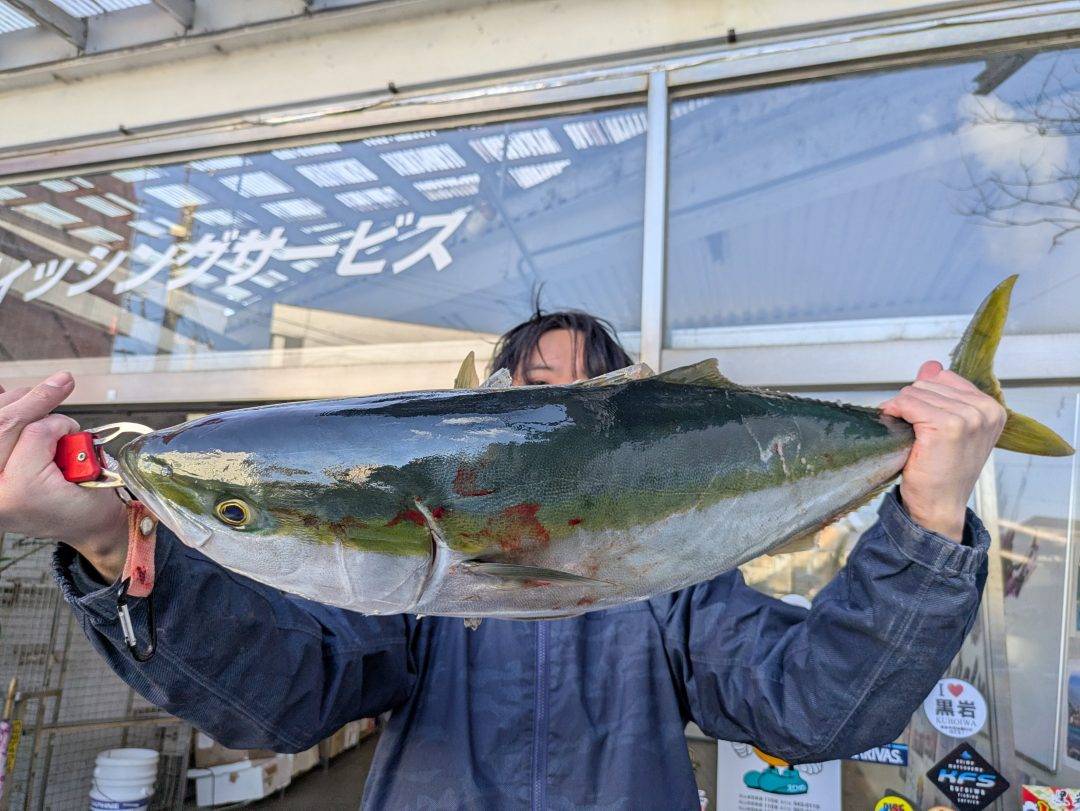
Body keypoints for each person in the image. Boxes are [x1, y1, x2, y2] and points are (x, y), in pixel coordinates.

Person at [0, 309, 1000, 809]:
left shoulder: (674, 591)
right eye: (528, 395)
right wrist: (106, 539)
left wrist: (929, 516)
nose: (556, 410)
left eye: (590, 401)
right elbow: (284, 695)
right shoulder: (411, 599)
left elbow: (819, 707)